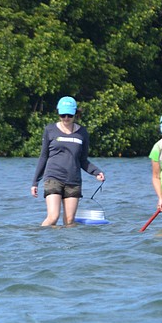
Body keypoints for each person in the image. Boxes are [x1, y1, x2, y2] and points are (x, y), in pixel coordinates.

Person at [31, 96, 105, 226]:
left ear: (75, 114)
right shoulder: (50, 130)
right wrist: (35, 182)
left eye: (69, 115)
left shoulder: (82, 133)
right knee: (53, 217)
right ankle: (40, 241)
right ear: (58, 113)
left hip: (73, 181)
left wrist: (96, 172)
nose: (66, 118)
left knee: (69, 221)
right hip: (53, 178)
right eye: (63, 114)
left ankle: (67, 245)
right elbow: (43, 157)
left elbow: (83, 160)